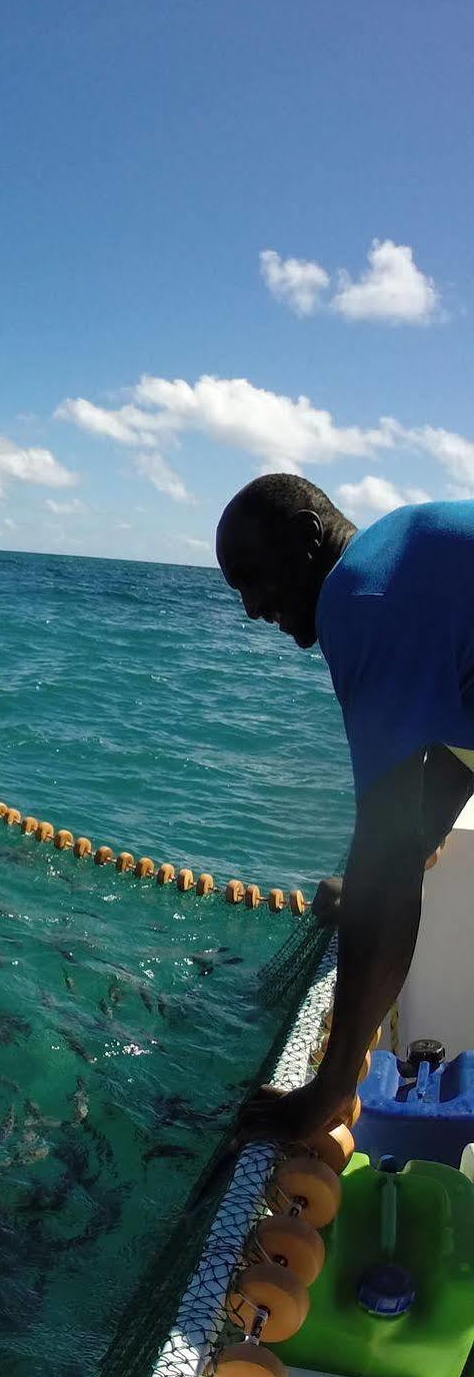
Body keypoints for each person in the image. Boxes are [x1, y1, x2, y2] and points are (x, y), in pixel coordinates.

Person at [215, 475, 474, 1143]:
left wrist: (326, 1091)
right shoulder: (405, 560)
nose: (249, 608)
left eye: (250, 576)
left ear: (306, 538)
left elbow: (386, 863)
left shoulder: (360, 596)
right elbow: (451, 753)